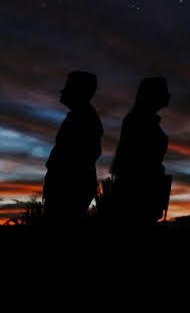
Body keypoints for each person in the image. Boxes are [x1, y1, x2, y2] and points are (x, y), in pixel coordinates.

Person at [43, 71, 104, 227]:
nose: (62, 91)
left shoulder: (84, 119)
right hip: (67, 187)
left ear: (80, 91)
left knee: (64, 230)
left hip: (68, 190)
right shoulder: (80, 117)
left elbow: (83, 157)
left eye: (68, 87)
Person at [109, 76, 171, 225]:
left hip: (143, 191)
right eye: (165, 91)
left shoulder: (143, 119)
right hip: (137, 193)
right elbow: (135, 160)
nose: (169, 95)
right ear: (153, 94)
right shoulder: (139, 120)